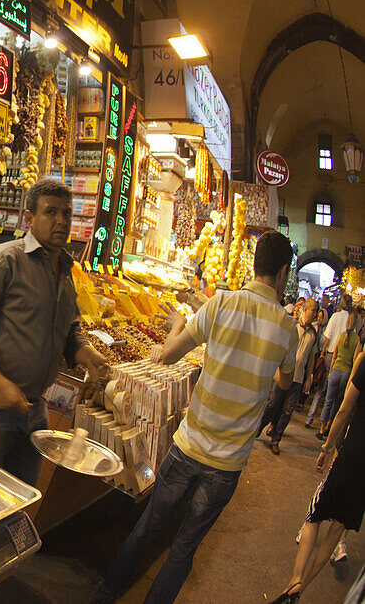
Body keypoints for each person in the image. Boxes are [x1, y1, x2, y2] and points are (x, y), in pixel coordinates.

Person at [92, 230, 298, 604]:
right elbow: (285, 380)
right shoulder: (287, 327)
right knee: (185, 546)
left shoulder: (221, 304)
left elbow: (169, 355)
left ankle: (105, 594)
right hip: (229, 462)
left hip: (188, 446)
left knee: (148, 527)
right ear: (283, 272)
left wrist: (176, 323)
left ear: (254, 264)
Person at [0, 179, 107, 485]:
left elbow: (68, 325)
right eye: (50, 212)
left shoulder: (66, 271)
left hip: (36, 408)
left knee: (20, 495)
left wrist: (85, 352)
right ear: (29, 219)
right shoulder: (4, 260)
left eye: (67, 213)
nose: (61, 221)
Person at [273, 350, 365, 602]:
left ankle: (295, 580)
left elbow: (344, 409)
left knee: (315, 516)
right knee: (337, 529)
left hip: (352, 454)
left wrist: (326, 448)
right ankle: (302, 588)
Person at [258, 298, 318, 454]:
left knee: (287, 411)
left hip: (298, 377)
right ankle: (258, 429)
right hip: (283, 374)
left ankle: (276, 440)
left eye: (316, 310)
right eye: (313, 309)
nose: (315, 313)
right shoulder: (292, 326)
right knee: (272, 405)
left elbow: (311, 356)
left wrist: (309, 376)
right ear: (304, 309)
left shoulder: (313, 333)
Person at [307, 295, 354, 427]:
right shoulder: (349, 320)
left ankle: (310, 418)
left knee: (321, 390)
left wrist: (322, 354)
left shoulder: (336, 317)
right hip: (342, 359)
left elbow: (327, 337)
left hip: (330, 355)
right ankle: (327, 425)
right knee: (334, 396)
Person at [317, 305, 359, 440]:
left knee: (328, 400)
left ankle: (321, 428)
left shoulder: (340, 337)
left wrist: (330, 372)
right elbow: (355, 360)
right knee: (338, 402)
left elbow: (334, 355)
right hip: (346, 374)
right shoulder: (357, 340)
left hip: (335, 371)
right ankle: (330, 425)